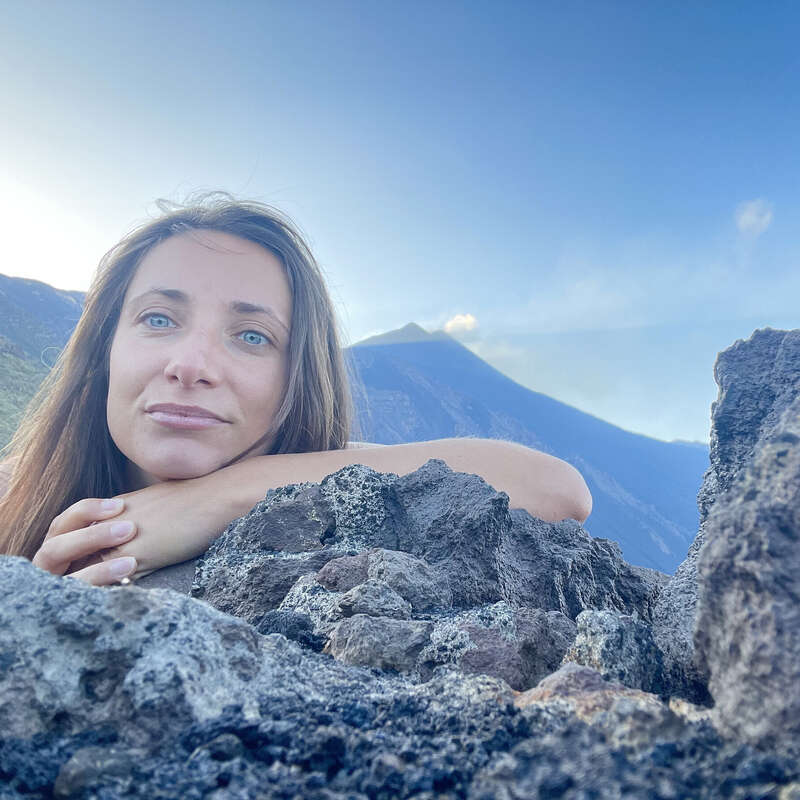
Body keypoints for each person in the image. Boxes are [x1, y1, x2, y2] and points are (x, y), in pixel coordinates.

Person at [0, 194, 591, 586]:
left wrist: (218, 497)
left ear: (298, 378)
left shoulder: (329, 485)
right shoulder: (14, 493)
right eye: (159, 319)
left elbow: (555, 489)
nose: (191, 365)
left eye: (252, 336)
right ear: (104, 348)